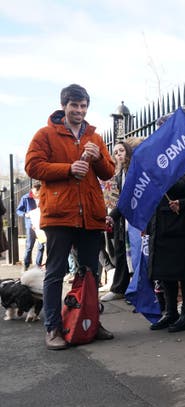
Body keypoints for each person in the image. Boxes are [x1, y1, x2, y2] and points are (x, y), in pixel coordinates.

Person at [25, 83, 116, 350]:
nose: (79, 110)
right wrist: (67, 169)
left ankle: (91, 322)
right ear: (64, 106)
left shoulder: (94, 137)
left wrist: (98, 158)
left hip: (89, 215)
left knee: (90, 273)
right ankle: (52, 328)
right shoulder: (45, 134)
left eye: (83, 105)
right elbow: (32, 165)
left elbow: (108, 172)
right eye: (74, 105)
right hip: (59, 215)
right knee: (55, 272)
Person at [147, 108, 185, 333]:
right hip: (161, 220)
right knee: (164, 270)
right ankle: (170, 311)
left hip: (181, 220)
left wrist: (177, 194)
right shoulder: (159, 158)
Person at [102, 139, 135, 302]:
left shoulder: (134, 170)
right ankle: (120, 288)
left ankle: (133, 290)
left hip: (134, 220)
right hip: (122, 220)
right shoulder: (118, 173)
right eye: (115, 152)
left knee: (134, 256)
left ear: (128, 151)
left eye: (121, 151)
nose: (118, 154)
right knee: (121, 253)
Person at [16, 182, 46, 271]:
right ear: (32, 190)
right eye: (35, 193)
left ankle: (38, 265)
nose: (37, 195)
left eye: (38, 193)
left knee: (41, 245)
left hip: (41, 224)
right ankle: (26, 265)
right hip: (30, 224)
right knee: (29, 246)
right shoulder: (25, 197)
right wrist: (25, 214)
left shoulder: (44, 196)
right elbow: (19, 210)